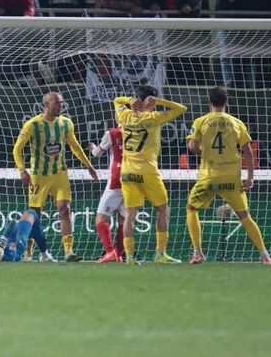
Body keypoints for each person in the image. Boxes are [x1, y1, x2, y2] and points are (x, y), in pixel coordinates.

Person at [185, 86, 271, 265]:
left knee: (191, 209)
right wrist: (249, 177)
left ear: (209, 103)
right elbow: (248, 151)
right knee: (245, 216)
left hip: (209, 177)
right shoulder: (237, 122)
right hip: (232, 178)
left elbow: (193, 147)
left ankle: (197, 252)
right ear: (226, 102)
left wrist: (205, 151)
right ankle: (265, 255)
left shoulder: (200, 121)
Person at [12, 91, 98, 262]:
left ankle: (68, 252)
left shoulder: (66, 123)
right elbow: (16, 149)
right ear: (47, 105)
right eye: (57, 103)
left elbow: (75, 147)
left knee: (64, 210)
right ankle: (28, 253)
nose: (61, 105)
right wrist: (22, 170)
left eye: (61, 102)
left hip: (60, 175)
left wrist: (89, 166)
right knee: (34, 216)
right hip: (38, 177)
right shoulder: (32, 125)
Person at [114, 86, 187, 265]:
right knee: (163, 209)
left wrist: (130, 100)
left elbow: (117, 100)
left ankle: (129, 257)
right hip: (147, 170)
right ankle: (160, 254)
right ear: (151, 101)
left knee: (130, 214)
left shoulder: (124, 116)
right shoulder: (153, 118)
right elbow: (181, 108)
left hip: (127, 171)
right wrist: (160, 102)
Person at [87, 126, 126, 263]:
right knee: (125, 219)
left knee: (101, 218)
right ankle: (120, 254)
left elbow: (97, 153)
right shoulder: (141, 129)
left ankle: (110, 252)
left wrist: (92, 147)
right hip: (135, 180)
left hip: (117, 179)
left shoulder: (112, 133)